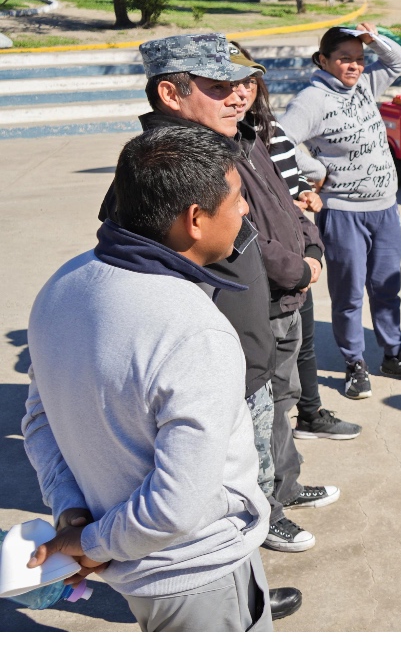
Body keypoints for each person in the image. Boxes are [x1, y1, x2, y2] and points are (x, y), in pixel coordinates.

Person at [24, 126, 274, 631]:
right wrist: (90, 543)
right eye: (238, 197)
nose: (245, 211)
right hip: (199, 574)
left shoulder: (63, 285)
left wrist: (74, 513)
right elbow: (177, 505)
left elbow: (39, 420)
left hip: (137, 571)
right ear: (196, 220)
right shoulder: (194, 331)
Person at [95, 34, 314, 592]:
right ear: (171, 92)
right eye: (218, 87)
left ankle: (242, 585)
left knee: (242, 476)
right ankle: (231, 591)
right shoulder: (155, 175)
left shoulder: (222, 148)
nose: (237, 96)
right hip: (209, 366)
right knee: (212, 491)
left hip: (243, 350)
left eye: (241, 84)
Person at [280, 23, 401, 401]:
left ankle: (394, 354)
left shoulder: (364, 85)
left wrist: (373, 39)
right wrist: (315, 172)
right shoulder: (311, 101)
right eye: (344, 59)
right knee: (348, 295)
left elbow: (398, 60)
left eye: (359, 59)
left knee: (386, 287)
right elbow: (278, 139)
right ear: (323, 61)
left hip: (385, 208)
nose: (354, 66)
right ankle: (354, 363)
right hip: (344, 211)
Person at [232, 42, 361, 443]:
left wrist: (305, 199)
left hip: (296, 247)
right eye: (228, 84)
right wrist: (300, 266)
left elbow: (290, 174)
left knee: (303, 345)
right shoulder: (228, 142)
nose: (241, 92)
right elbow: (247, 221)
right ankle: (280, 468)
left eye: (248, 82)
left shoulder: (262, 127)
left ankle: (309, 413)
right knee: (272, 373)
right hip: (274, 269)